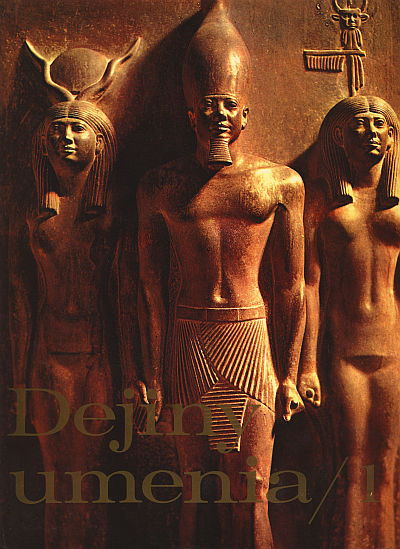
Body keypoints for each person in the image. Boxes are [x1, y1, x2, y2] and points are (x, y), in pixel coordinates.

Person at [137, 2, 305, 547]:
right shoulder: (160, 187)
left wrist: (291, 371)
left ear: (245, 115)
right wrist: (152, 377)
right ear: (191, 115)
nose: (218, 116)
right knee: (193, 489)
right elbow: (148, 289)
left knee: (251, 490)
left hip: (250, 338)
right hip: (188, 340)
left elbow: (291, 286)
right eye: (207, 107)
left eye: (228, 106)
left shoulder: (280, 184)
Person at [299, 95, 400, 549]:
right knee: (352, 465)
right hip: (342, 349)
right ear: (338, 137)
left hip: (393, 348)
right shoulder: (322, 200)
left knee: (388, 465)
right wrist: (306, 365)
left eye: (379, 124)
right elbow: (308, 285)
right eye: (360, 124)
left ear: (391, 139)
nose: (370, 133)